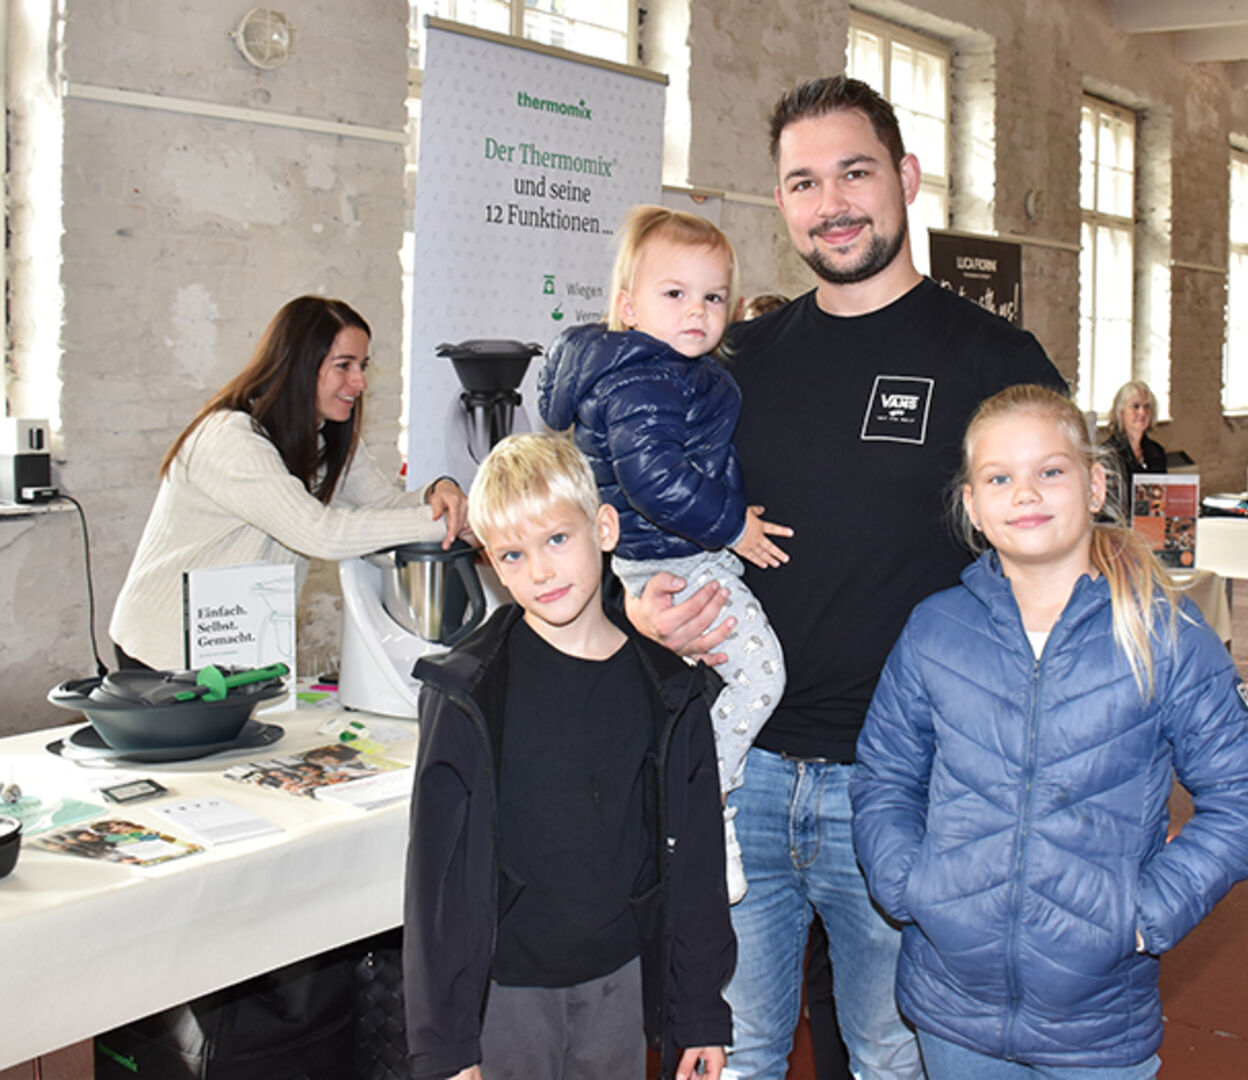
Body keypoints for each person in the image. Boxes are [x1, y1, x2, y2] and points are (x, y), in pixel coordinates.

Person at [628, 76, 1065, 1079]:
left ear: (906, 178)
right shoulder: (731, 361)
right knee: (729, 1052)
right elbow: (645, 529)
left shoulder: (992, 359)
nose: (830, 203)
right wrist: (640, 607)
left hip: (906, 784)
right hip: (738, 772)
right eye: (802, 182)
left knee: (889, 1053)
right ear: (780, 202)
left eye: (853, 172)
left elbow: (1057, 565)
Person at [851, 385, 1248, 1079]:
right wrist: (906, 884)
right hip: (951, 1006)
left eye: (1049, 471)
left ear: (1095, 484)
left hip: (1097, 1018)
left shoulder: (1162, 634)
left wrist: (1145, 914)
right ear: (971, 505)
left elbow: (1243, 800)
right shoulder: (934, 631)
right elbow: (885, 774)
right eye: (999, 478)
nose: (1025, 494)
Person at [403, 432, 734, 1080]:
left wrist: (698, 1011)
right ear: (492, 565)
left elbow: (696, 858)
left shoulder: (669, 690)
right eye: (513, 554)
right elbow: (434, 883)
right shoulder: (467, 692)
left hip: (619, 984)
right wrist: (446, 1043)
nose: (541, 570)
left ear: (603, 527)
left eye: (557, 539)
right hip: (504, 996)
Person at [537, 205, 791, 905]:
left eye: (711, 297)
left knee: (686, 695)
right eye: (673, 294)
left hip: (661, 556)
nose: (696, 313)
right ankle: (704, 801)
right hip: (676, 555)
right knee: (760, 676)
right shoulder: (645, 377)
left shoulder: (658, 371)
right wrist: (732, 525)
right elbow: (652, 479)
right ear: (627, 306)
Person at [109, 294, 468, 671]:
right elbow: (320, 533)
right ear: (299, 365)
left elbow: (381, 505)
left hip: (236, 645)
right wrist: (445, 524)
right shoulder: (230, 438)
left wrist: (436, 492)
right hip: (166, 651)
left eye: (362, 365)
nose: (359, 381)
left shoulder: (326, 433)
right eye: (343, 366)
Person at [1102, 380, 1168, 515]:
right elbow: (1107, 506)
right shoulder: (1107, 454)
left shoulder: (1157, 452)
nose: (1142, 412)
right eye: (1135, 406)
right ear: (1121, 412)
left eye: (1147, 406)